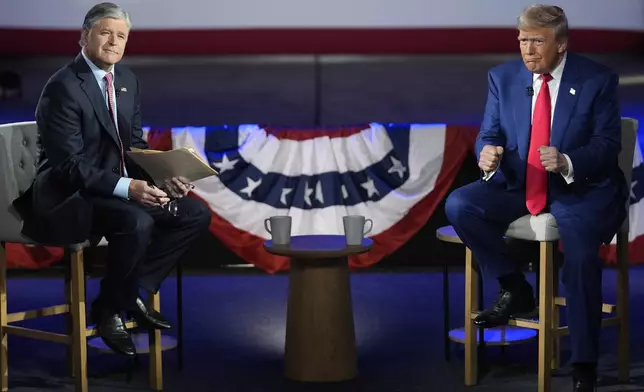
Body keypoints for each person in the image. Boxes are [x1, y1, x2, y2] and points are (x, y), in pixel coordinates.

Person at [444, 4, 627, 392]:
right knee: (461, 204)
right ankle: (516, 287)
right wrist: (487, 152)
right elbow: (489, 131)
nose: (527, 50)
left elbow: (609, 144)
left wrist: (566, 160)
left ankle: (583, 363)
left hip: (582, 188)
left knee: (578, 256)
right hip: (518, 182)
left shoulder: (597, 80)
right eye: (522, 40)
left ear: (561, 44)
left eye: (537, 42)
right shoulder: (503, 77)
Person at [12, 2, 211, 357]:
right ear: (84, 37)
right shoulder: (63, 87)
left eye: (121, 36)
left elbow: (133, 146)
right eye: (106, 33)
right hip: (68, 196)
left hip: (112, 190)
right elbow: (69, 166)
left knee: (193, 214)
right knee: (135, 220)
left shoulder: (128, 80)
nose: (113, 42)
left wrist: (163, 178)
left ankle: (131, 292)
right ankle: (106, 312)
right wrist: (129, 189)